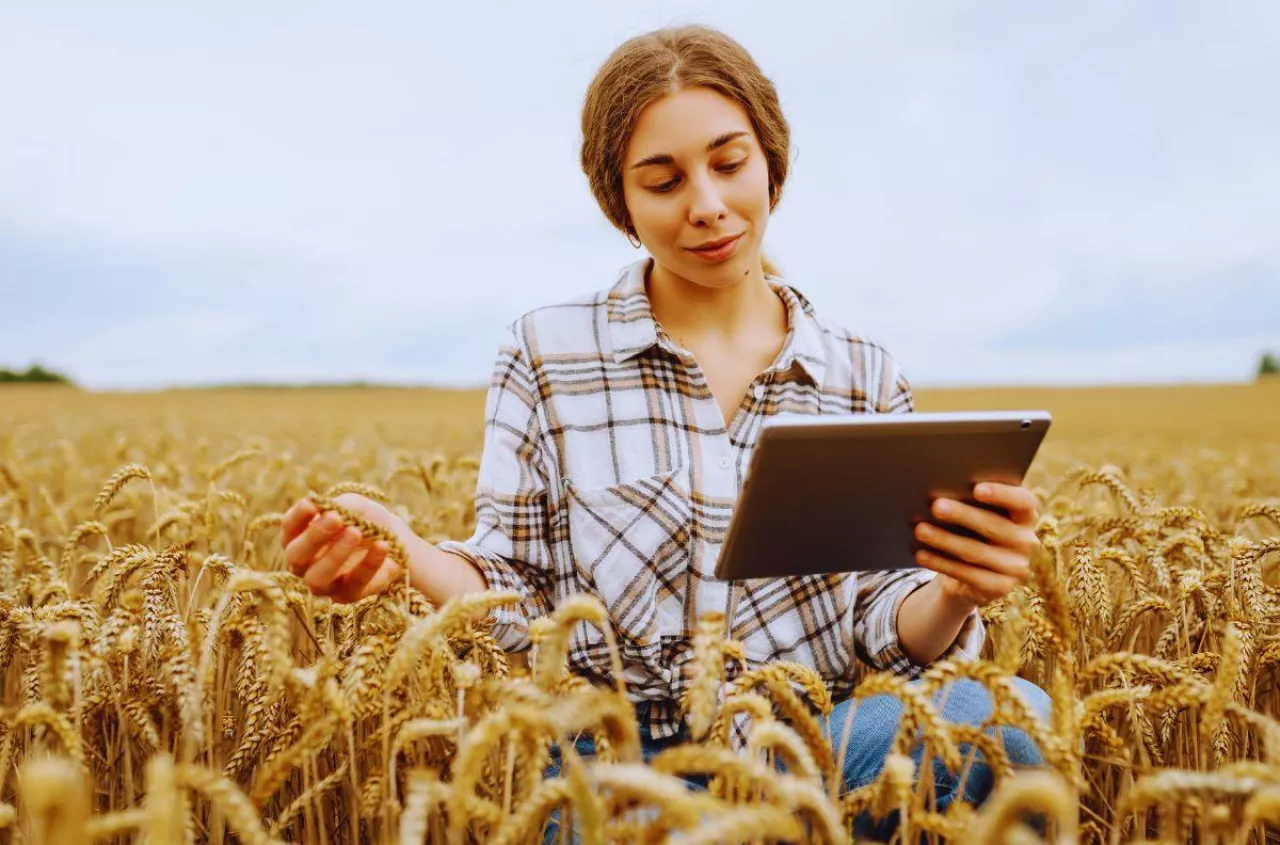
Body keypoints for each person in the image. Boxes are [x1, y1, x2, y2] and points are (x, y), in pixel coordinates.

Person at [280, 23, 1051, 841]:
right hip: (615, 762)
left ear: (771, 161)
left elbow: (879, 616)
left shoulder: (862, 372)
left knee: (1009, 720)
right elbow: (517, 584)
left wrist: (955, 590)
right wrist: (408, 553)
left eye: (729, 163)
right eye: (663, 180)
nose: (707, 206)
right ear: (621, 202)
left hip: (816, 743)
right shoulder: (546, 353)